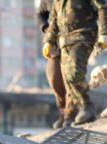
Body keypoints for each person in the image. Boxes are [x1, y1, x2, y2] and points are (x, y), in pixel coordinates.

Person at [43, 0, 107, 126]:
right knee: (68, 82)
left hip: (83, 36)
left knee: (74, 73)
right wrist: (48, 41)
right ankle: (71, 115)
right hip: (64, 42)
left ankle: (87, 106)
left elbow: (103, 8)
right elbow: (53, 21)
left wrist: (105, 33)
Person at [38, 0, 69, 128]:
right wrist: (45, 27)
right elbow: (41, 14)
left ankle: (72, 114)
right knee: (54, 77)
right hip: (54, 41)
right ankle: (63, 111)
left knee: (71, 77)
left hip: (73, 39)